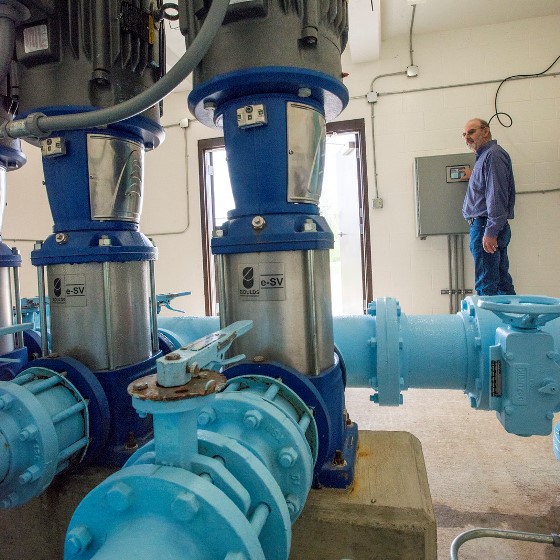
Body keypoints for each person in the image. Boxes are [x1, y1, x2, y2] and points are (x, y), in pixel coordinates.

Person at [461, 118, 516, 296]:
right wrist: (473, 175)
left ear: (486, 131)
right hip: (486, 225)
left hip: (486, 225)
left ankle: (489, 323)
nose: (467, 137)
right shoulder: (486, 157)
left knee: (487, 285)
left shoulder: (492, 156)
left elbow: (496, 195)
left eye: (471, 132)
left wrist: (490, 232)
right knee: (500, 282)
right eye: (464, 134)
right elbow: (488, 185)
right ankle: (511, 321)